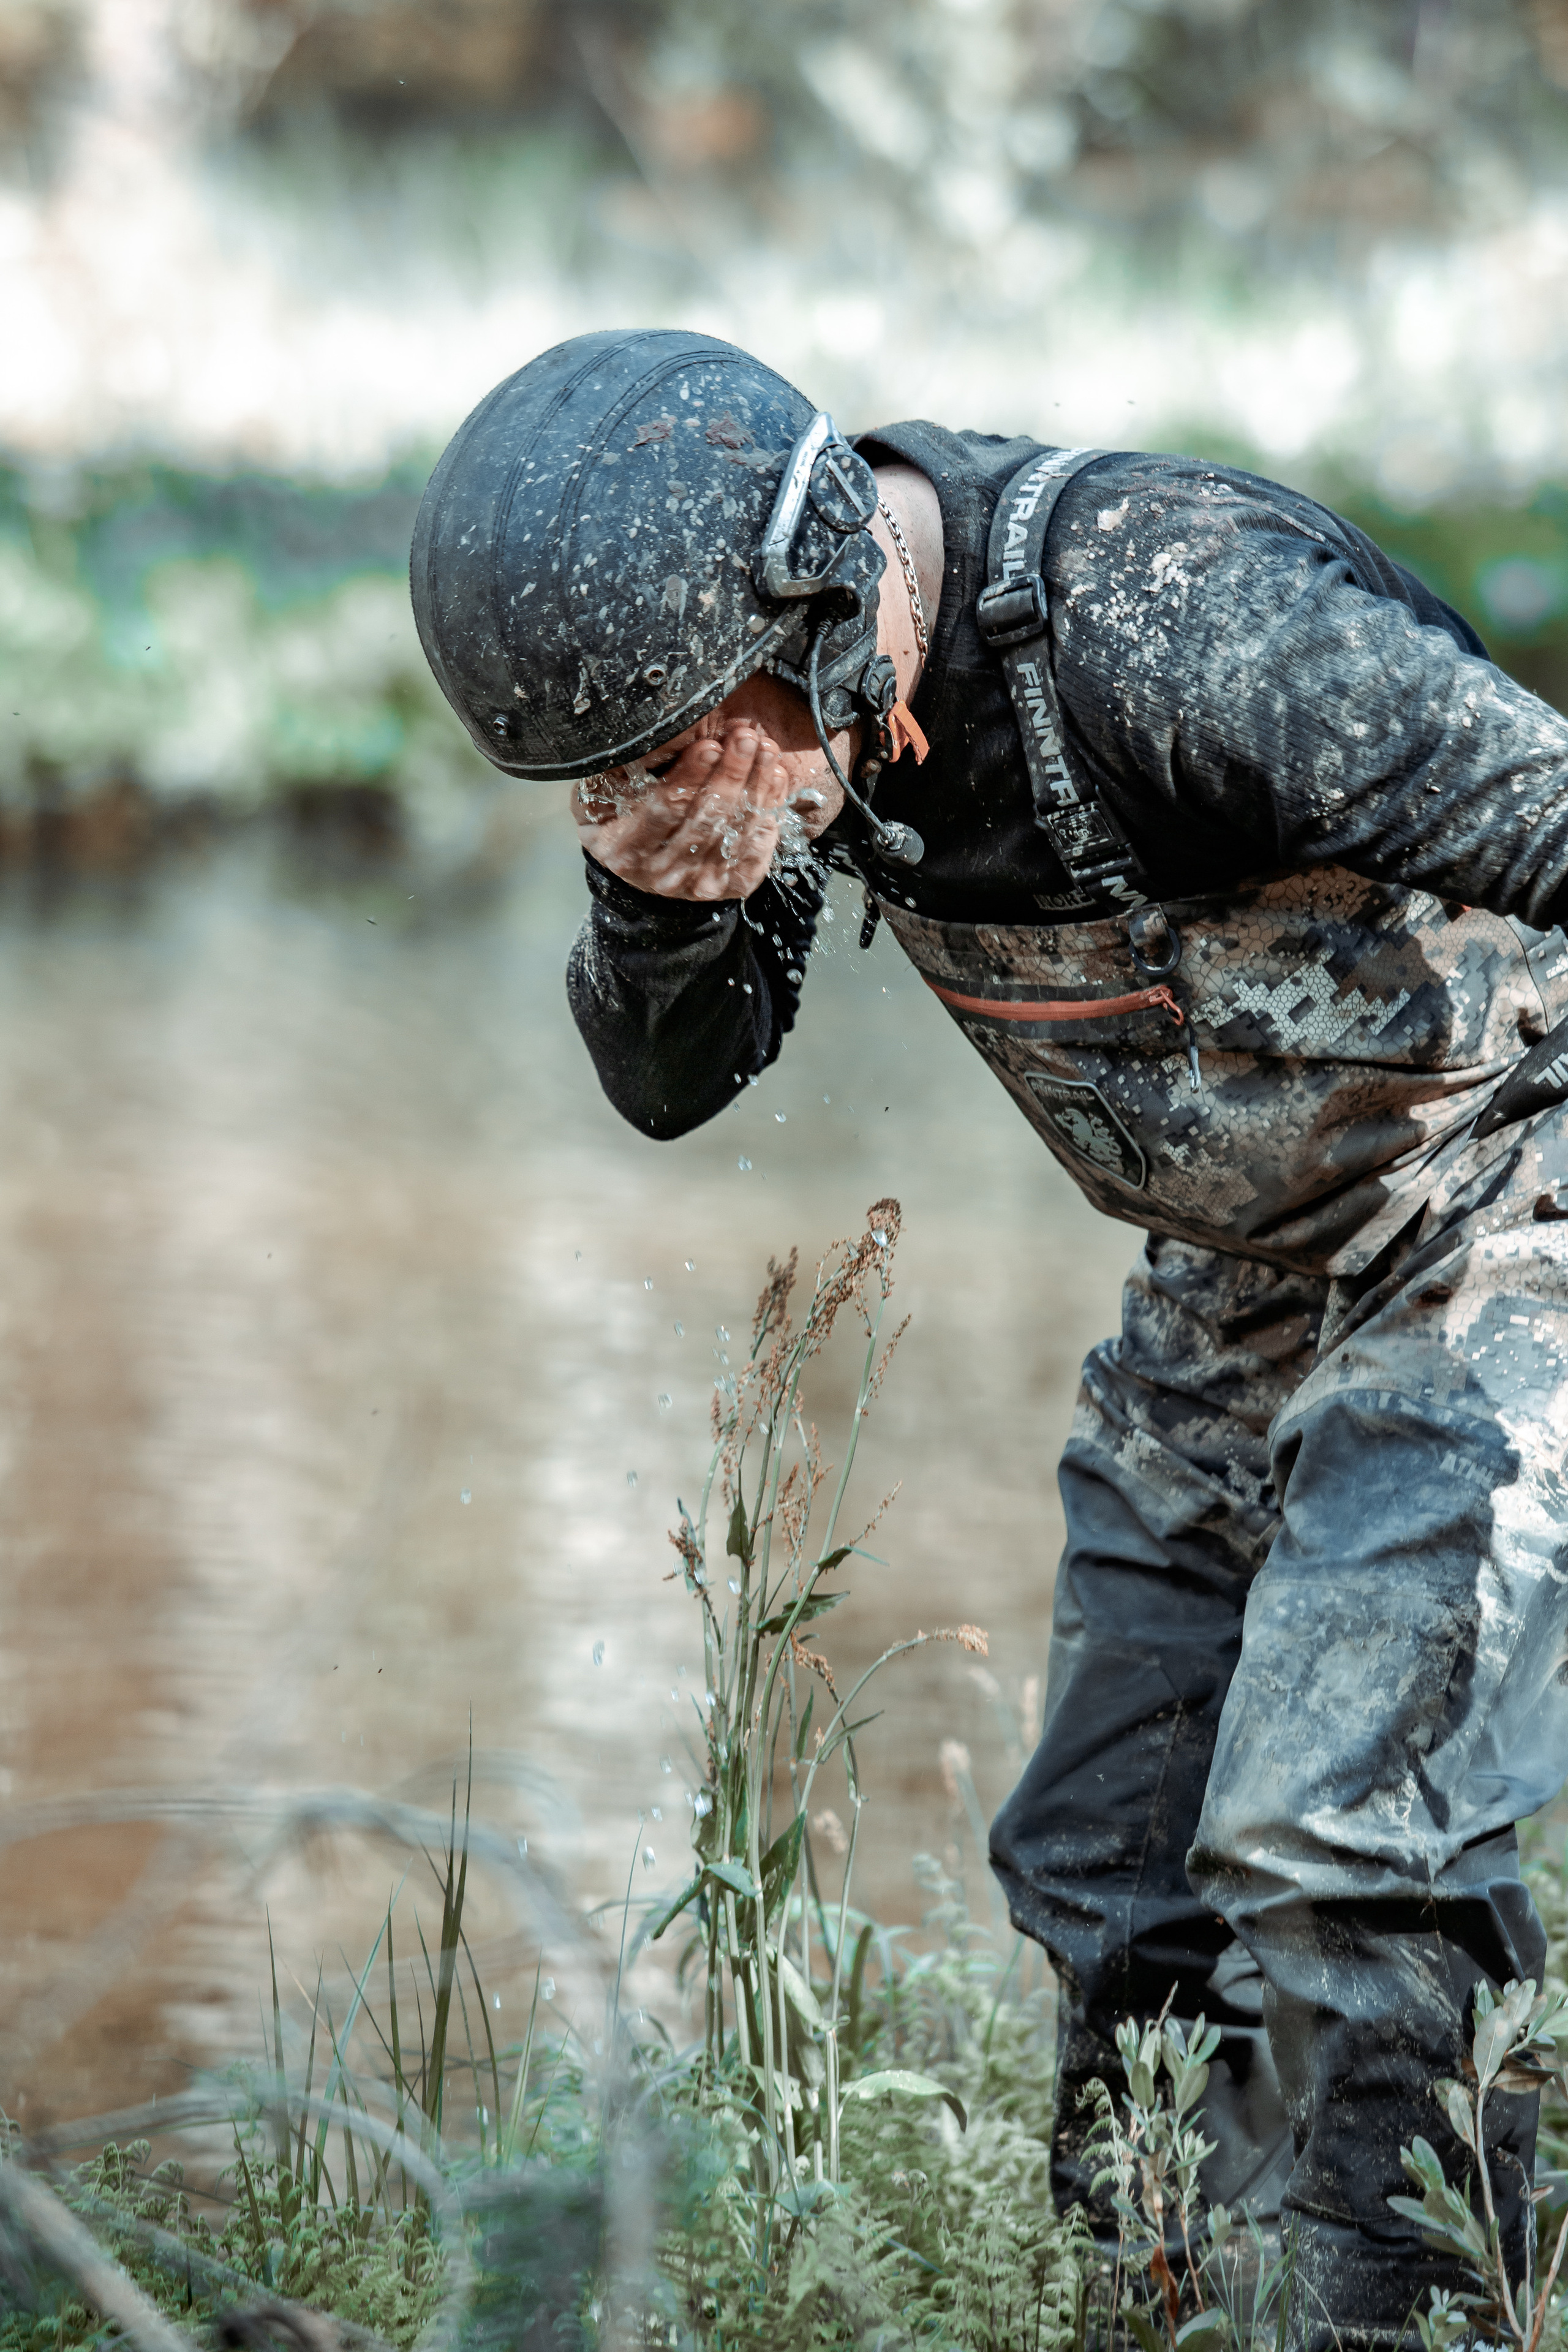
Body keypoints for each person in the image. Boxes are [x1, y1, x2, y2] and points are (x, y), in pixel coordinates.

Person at [411, 327, 1568, 2347]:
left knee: (1339, 1846)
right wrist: (661, 902)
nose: (660, 798)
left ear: (833, 591)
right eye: (602, 781)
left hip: (1507, 1200)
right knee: (1110, 1871)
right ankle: (1158, 2316)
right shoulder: (779, 711)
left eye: (675, 753)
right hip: (1239, 1272)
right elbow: (678, 1087)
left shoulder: (1177, 629)